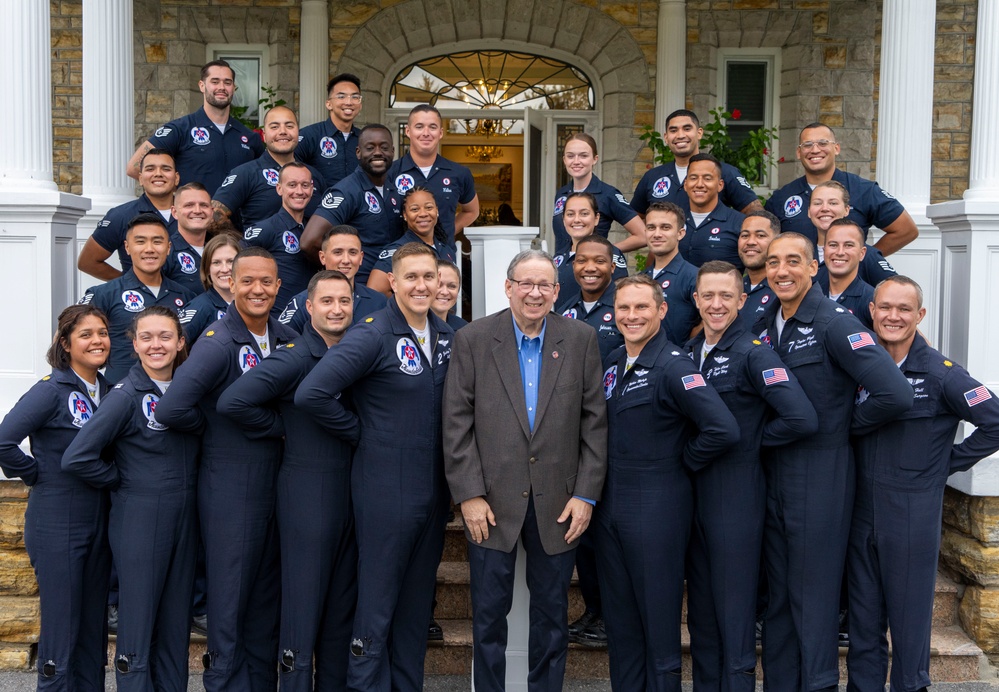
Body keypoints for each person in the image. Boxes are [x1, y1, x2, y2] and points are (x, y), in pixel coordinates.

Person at [753, 232, 913, 691]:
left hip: (820, 476)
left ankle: (819, 683)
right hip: (775, 471)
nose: (781, 270)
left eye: (793, 261)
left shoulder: (835, 322)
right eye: (773, 262)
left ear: (812, 267)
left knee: (814, 598)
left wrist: (843, 425)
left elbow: (895, 392)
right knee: (779, 598)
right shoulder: (768, 320)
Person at [443, 249, 607, 692]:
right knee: (489, 615)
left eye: (544, 285)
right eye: (526, 284)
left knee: (552, 617)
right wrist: (469, 494)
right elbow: (456, 422)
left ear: (557, 291)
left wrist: (586, 495)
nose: (534, 293)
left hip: (560, 502)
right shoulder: (474, 339)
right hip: (490, 503)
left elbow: (594, 422)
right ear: (508, 287)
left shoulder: (580, 339)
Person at [296, 243, 454, 692]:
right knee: (378, 606)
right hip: (385, 490)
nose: (422, 286)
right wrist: (362, 432)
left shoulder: (444, 335)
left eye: (429, 277)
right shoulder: (372, 333)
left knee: (415, 607)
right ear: (393, 281)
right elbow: (313, 394)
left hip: (433, 493)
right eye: (412, 277)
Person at [155, 247, 297, 692]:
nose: (258, 289)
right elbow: (172, 406)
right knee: (231, 601)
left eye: (267, 282)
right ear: (230, 285)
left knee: (264, 601)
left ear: (278, 287)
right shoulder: (218, 341)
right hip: (231, 489)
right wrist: (214, 429)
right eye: (248, 281)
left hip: (277, 484)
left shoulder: (286, 334)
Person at [848, 276, 999, 692]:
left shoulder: (940, 373)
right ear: (872, 311)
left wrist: (944, 465)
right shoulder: (861, 367)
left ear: (920, 315)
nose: (893, 316)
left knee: (910, 624)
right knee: (862, 620)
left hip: (911, 512)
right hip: (861, 510)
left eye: (903, 309)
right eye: (885, 307)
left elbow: (994, 421)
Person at [594, 273, 738, 691]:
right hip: (611, 509)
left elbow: (722, 429)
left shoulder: (675, 366)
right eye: (624, 308)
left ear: (661, 310)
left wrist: (681, 462)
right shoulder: (613, 361)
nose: (632, 315)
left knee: (658, 630)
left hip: (656, 510)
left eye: (642, 307)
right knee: (621, 629)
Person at [218, 270, 358, 692]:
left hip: (349, 494)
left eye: (344, 301)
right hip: (306, 494)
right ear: (310, 307)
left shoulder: (355, 352)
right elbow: (233, 401)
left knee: (340, 614)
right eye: (327, 301)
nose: (337, 309)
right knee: (301, 610)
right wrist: (280, 427)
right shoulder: (295, 355)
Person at [685, 261, 817, 692]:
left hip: (736, 497)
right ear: (696, 300)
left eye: (727, 295)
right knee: (702, 612)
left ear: (743, 300)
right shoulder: (689, 353)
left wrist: (752, 442)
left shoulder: (755, 352)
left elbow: (800, 417)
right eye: (708, 296)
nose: (716, 304)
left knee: (735, 611)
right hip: (694, 496)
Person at [62, 306, 199, 692]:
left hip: (186, 517)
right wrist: (121, 480)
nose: (157, 345)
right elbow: (77, 456)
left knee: (175, 624)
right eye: (148, 337)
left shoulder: (188, 389)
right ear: (135, 344)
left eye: (166, 336)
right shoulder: (124, 395)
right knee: (137, 625)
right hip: (141, 517)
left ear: (181, 341)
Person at [0, 305, 112, 690]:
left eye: (102, 332)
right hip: (57, 521)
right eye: (86, 334)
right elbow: (3, 440)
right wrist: (36, 473)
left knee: (92, 629)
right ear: (65, 343)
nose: (97, 340)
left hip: (99, 520)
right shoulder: (50, 390)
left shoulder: (107, 389)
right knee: (62, 630)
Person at [764, 122, 918, 255]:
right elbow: (764, 241)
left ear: (836, 148)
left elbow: (906, 230)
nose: (815, 150)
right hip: (799, 285)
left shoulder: (863, 190)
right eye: (807, 145)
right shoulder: (782, 198)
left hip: (848, 287)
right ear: (799, 152)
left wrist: (863, 259)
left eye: (823, 143)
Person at [79, 213, 196, 383]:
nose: (149, 249)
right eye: (140, 241)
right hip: (120, 398)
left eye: (157, 241)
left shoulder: (186, 296)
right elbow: (68, 338)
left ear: (169, 247)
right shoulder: (103, 294)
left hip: (172, 397)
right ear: (127, 247)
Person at [127, 60, 263, 195]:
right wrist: (176, 194)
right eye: (215, 82)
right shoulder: (179, 129)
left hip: (237, 216)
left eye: (227, 82)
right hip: (192, 214)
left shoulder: (249, 137)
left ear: (233, 87)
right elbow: (134, 168)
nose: (221, 87)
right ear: (202, 85)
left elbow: (265, 177)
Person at [302, 124, 402, 284]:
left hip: (389, 287)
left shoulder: (393, 189)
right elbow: (309, 241)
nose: (378, 153)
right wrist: (339, 273)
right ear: (358, 152)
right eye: (370, 148)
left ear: (393, 151)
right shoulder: (347, 191)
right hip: (358, 288)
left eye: (384, 147)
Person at [631, 108, 763, 218]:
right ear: (666, 137)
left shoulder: (725, 172)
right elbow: (635, 219)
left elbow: (756, 213)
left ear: (699, 133)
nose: (680, 135)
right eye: (673, 130)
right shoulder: (653, 177)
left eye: (687, 129)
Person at [212, 106, 324, 231]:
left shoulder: (313, 175)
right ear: (264, 135)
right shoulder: (246, 173)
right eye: (274, 127)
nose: (283, 131)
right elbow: (214, 215)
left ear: (298, 132)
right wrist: (240, 244)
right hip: (259, 249)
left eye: (289, 126)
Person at [386, 105, 479, 250]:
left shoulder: (459, 173)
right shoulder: (390, 173)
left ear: (440, 133)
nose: (426, 133)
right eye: (419, 126)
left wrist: (448, 232)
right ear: (408, 131)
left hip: (443, 259)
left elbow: (472, 211)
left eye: (433, 127)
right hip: (402, 257)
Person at [79, 148, 179, 280]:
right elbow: (88, 262)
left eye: (166, 169)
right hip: (142, 300)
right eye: (150, 169)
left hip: (191, 298)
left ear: (176, 178)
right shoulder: (120, 216)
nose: (158, 174)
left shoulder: (194, 213)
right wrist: (127, 284)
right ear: (141, 178)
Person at [279, 225, 387, 334]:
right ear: (322, 257)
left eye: (352, 252)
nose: (346, 260)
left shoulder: (379, 302)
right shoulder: (302, 303)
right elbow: (283, 342)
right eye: (338, 252)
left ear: (361, 258)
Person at [242, 161, 318, 315]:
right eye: (292, 185)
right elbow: (237, 261)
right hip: (276, 319)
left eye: (304, 185)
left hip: (308, 316)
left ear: (311, 189)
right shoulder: (266, 228)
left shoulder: (313, 229)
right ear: (279, 188)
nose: (299, 191)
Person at [551, 133, 645, 255]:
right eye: (570, 156)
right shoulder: (562, 194)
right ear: (564, 159)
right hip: (562, 268)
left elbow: (642, 235)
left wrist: (606, 251)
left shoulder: (607, 194)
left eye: (583, 156)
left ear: (595, 159)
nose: (576, 161)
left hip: (592, 268)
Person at [366, 187, 456, 296]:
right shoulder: (398, 250)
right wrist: (407, 309)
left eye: (429, 207)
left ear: (436, 210)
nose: (423, 213)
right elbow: (376, 290)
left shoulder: (446, 249)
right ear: (405, 215)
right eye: (414, 209)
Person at [808, 180, 898, 286]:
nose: (824, 208)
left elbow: (896, 291)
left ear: (847, 210)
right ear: (809, 211)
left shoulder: (867, 256)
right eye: (818, 203)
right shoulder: (804, 252)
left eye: (833, 203)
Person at [555, 235, 624, 362]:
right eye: (582, 261)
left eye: (599, 261)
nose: (590, 268)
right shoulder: (563, 313)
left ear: (612, 267)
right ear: (573, 265)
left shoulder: (626, 310)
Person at [641, 201, 699, 345]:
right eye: (651, 228)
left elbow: (711, 320)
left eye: (665, 227)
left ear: (680, 233)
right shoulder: (641, 279)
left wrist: (687, 346)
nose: (657, 234)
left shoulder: (694, 277)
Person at [551, 192, 628, 296]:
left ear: (596, 218)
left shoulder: (611, 253)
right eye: (570, 214)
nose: (577, 219)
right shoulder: (558, 256)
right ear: (564, 220)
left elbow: (622, 295)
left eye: (584, 214)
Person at [680, 153, 746, 269]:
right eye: (694, 178)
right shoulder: (674, 220)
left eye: (707, 178)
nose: (699, 184)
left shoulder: (739, 223)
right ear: (685, 184)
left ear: (720, 185)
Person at [297, 73, 363, 187]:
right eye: (341, 96)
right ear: (329, 104)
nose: (349, 102)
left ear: (360, 104)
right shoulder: (309, 135)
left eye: (355, 97)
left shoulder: (365, 139)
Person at [180, 232, 241, 344]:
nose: (224, 269)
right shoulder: (200, 308)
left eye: (230, 261)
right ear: (207, 269)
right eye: (216, 263)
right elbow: (175, 345)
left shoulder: (249, 303)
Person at [819, 219, 875, 328]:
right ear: (824, 250)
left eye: (848, 245)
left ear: (862, 253)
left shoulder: (872, 300)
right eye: (833, 245)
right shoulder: (811, 294)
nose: (840, 252)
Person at [163, 182, 214, 294]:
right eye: (189, 205)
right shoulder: (165, 252)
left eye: (204, 205)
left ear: (212, 212)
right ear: (175, 212)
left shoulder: (218, 252)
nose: (197, 210)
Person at [736, 210, 779, 328]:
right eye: (745, 235)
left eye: (760, 235)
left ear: (777, 241)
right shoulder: (734, 287)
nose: (750, 242)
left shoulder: (783, 289)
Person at [432, 259, 468, 330]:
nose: (445, 292)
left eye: (452, 286)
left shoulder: (464, 329)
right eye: (438, 285)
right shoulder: (407, 326)